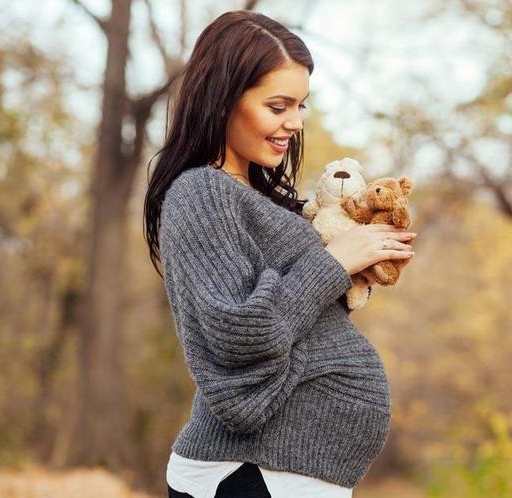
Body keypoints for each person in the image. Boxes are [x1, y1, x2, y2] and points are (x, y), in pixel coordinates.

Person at [142, 10, 416, 498]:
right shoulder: (201, 193)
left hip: (271, 475)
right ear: (223, 100)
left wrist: (363, 253)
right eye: (277, 106)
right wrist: (334, 264)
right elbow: (239, 337)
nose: (294, 122)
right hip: (246, 474)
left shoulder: (253, 196)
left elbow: (294, 317)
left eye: (301, 105)